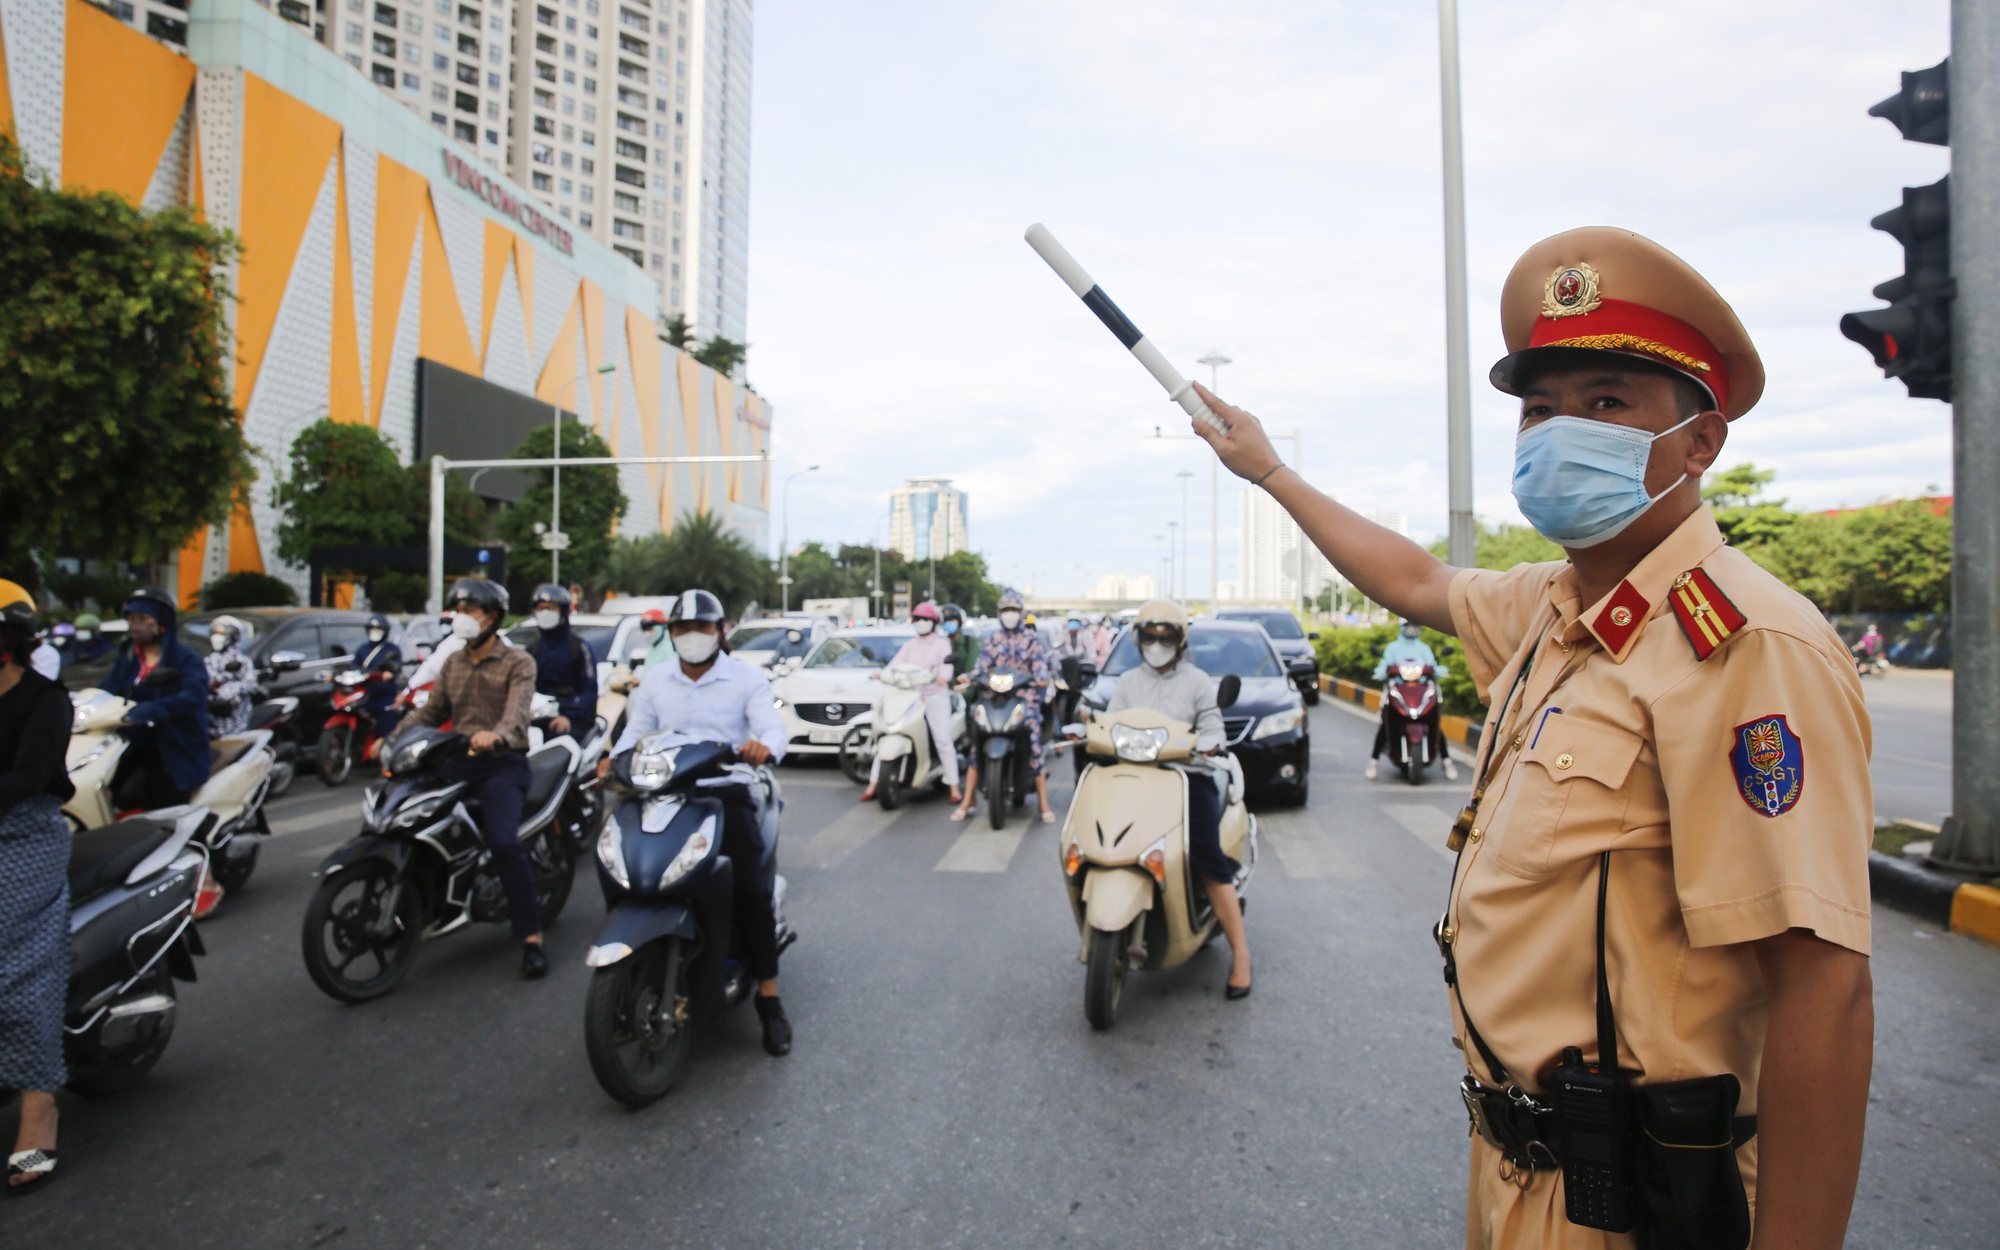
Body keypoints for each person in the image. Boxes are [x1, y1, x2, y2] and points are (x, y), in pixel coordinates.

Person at [1190, 227, 1873, 1250]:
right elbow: (1416, 580)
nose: (1560, 433)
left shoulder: (1740, 643)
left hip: (1647, 1198)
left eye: (1604, 403)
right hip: (1523, 1173)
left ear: (1697, 444)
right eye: (1538, 408)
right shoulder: (1559, 605)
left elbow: (1823, 983)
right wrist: (1271, 470)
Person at [603, 589, 793, 1057]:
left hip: (723, 792)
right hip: (661, 791)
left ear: (719, 632)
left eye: (702, 628)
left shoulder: (745, 679)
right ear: (671, 634)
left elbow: (771, 728)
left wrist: (763, 746)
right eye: (682, 629)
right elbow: (633, 732)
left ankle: (768, 995)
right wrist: (614, 759)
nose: (692, 637)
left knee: (748, 888)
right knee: (616, 861)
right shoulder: (655, 681)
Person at [393, 579, 550, 979]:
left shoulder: (518, 662)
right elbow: (430, 712)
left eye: (469, 611)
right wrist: (393, 739)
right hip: (455, 761)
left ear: (492, 618)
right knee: (405, 817)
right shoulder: (453, 662)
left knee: (503, 842)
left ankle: (531, 937)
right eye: (458, 610)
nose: (461, 618)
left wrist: (497, 735)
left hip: (501, 763)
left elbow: (517, 713)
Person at [1107, 599, 1252, 998]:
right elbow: (1111, 722)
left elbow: (1212, 725)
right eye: (1150, 636)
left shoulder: (1196, 681)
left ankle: (1241, 955)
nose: (1157, 643)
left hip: (1188, 778)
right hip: (1136, 779)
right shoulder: (1128, 683)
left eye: (1165, 636)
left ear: (1180, 640)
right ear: (1139, 639)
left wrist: (1206, 745)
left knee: (1206, 857)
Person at [0, 586, 73, 1193]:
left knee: (15, 968)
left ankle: (37, 1106)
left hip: (23, 837)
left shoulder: (46, 701)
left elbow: (26, 778)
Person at [102, 586, 210, 811]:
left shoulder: (185, 659)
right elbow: (106, 691)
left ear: (162, 622)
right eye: (131, 619)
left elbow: (192, 696)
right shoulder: (127, 658)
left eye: (143, 618)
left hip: (173, 745)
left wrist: (154, 709)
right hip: (128, 743)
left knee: (165, 803)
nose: (135, 625)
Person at [953, 589, 1056, 824]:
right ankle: (968, 800)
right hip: (994, 699)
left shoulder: (1032, 641)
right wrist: (969, 677)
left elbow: (1040, 669)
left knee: (1034, 744)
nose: (1010, 614)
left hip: (1023, 700)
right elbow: (981, 666)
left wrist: (1040, 678)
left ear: (1021, 613)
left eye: (1014, 610)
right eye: (1006, 610)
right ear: (1000, 613)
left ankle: (1043, 803)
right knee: (976, 745)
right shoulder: (992, 640)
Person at [859, 601, 959, 806]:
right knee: (887, 733)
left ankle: (954, 786)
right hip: (909, 695)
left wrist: (941, 677)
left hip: (934, 696)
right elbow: (894, 666)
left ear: (934, 622)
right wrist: (881, 674)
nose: (922, 623)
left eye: (926, 619)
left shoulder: (942, 645)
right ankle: (874, 783)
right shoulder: (910, 645)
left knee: (943, 740)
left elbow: (945, 670)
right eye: (918, 619)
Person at [1367, 620, 1460, 782]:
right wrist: (1381, 671)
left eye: (1414, 625)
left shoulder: (1423, 649)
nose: (1411, 629)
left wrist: (1439, 671)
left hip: (1421, 691)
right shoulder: (1393, 648)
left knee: (1433, 722)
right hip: (1399, 690)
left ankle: (1447, 761)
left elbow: (1432, 665)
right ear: (1401, 627)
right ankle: (1374, 762)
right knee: (1386, 722)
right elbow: (1384, 665)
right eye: (1408, 625)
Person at [526, 584, 596, 740]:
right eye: (540, 608)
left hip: (571, 719)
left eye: (550, 608)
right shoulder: (532, 650)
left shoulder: (579, 648)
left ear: (563, 612)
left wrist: (568, 717)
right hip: (536, 717)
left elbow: (589, 691)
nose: (544, 612)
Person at [204, 615, 258, 739]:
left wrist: (232, 688)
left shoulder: (242, 660)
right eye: (214, 633)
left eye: (222, 634)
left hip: (235, 715)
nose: (217, 638)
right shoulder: (209, 660)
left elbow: (251, 684)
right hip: (212, 713)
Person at [355, 614, 404, 739]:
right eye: (372, 630)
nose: (374, 633)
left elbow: (396, 667)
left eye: (378, 630)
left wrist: (389, 674)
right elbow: (354, 667)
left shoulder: (392, 649)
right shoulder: (362, 649)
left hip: (384, 696)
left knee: (386, 728)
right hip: (366, 694)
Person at [940, 604, 978, 679]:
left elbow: (972, 667)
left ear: (959, 621)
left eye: (951, 620)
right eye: (946, 621)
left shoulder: (969, 641)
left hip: (965, 684)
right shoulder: (942, 643)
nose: (948, 623)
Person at [636, 608, 674, 672]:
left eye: (650, 628)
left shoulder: (670, 649)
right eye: (645, 629)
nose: (647, 633)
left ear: (662, 627)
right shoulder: (652, 650)